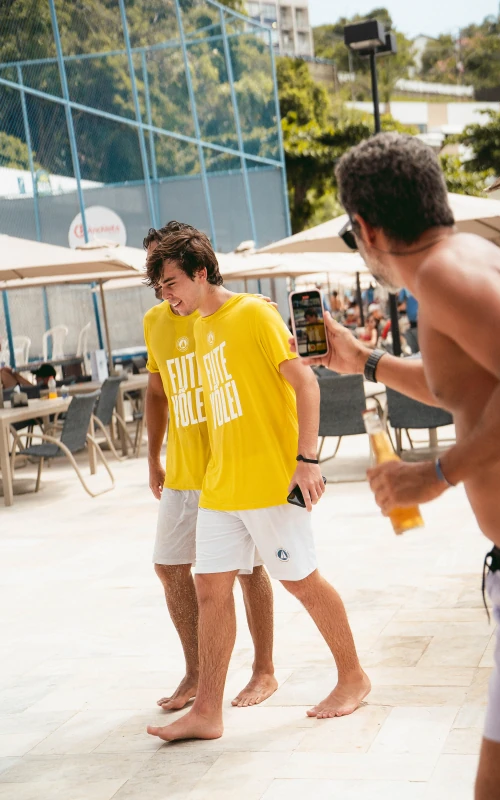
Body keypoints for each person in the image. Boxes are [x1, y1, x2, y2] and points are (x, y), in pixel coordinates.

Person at [298, 132, 500, 800]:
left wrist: (435, 475)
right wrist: (365, 361)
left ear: (366, 227)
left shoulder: (440, 277)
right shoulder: (475, 258)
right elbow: (467, 383)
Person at [144, 227, 370, 743]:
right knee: (209, 588)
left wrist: (307, 460)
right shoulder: (201, 325)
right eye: (160, 288)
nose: (167, 295)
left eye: (172, 283)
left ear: (201, 272)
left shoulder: (253, 314)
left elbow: (306, 383)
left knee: (302, 582)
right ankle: (207, 711)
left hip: (270, 482)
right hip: (221, 486)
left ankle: (353, 676)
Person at [143, 222, 278, 711]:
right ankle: (197, 672)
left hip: (230, 466)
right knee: (169, 566)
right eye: (154, 276)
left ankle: (264, 670)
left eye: (167, 274)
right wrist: (153, 455)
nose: (161, 285)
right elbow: (157, 391)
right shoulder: (156, 321)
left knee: (249, 570)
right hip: (184, 469)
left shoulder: (230, 312)